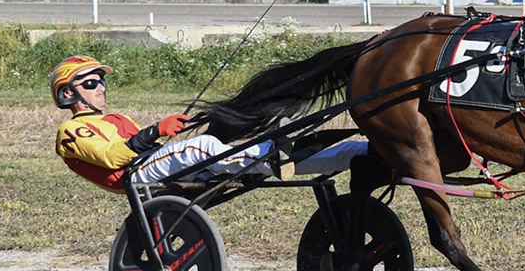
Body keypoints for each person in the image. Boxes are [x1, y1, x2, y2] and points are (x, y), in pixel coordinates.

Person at [51, 55, 368, 193]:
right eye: (91, 83)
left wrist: (162, 133)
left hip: (158, 166)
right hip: (137, 176)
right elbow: (110, 157)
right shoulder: (70, 133)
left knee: (230, 152)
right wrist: (156, 130)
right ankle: (273, 154)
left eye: (102, 80)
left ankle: (356, 153)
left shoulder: (115, 119)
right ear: (68, 93)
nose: (101, 86)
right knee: (203, 146)